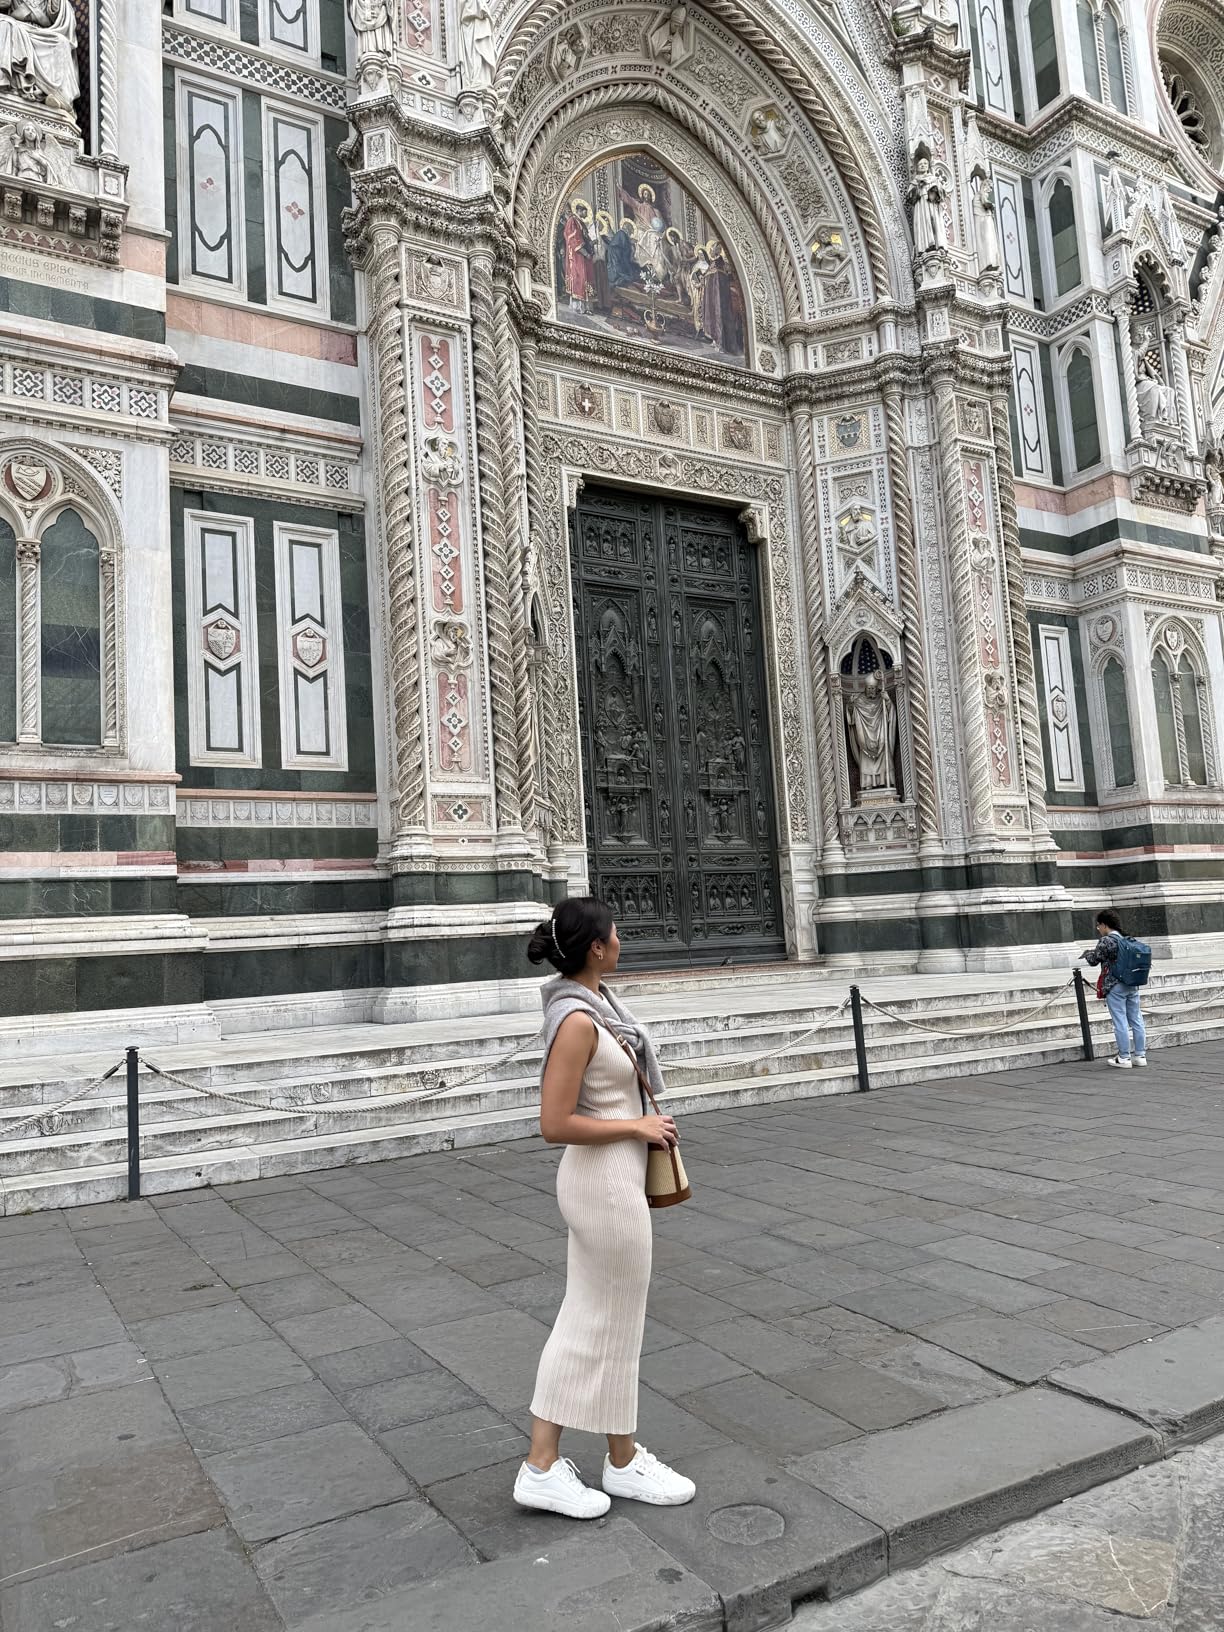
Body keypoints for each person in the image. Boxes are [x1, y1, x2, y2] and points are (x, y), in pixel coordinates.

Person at [514, 896, 696, 1519]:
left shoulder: (597, 1010)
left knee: (610, 1314)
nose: (622, 940)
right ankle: (544, 1464)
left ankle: (620, 1457)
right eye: (615, 933)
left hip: (608, 1178)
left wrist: (635, 1126)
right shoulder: (577, 1022)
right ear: (596, 948)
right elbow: (553, 1122)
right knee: (598, 1316)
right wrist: (635, 1127)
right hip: (603, 1183)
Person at [1082, 908, 1147, 1068]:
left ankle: (1124, 1057)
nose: (1098, 929)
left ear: (1105, 925)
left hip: (1115, 985)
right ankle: (1140, 1056)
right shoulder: (1128, 938)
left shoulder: (1106, 941)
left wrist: (1087, 954)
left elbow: (1094, 960)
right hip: (1132, 983)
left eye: (1099, 926)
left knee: (1120, 1021)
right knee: (1136, 1020)